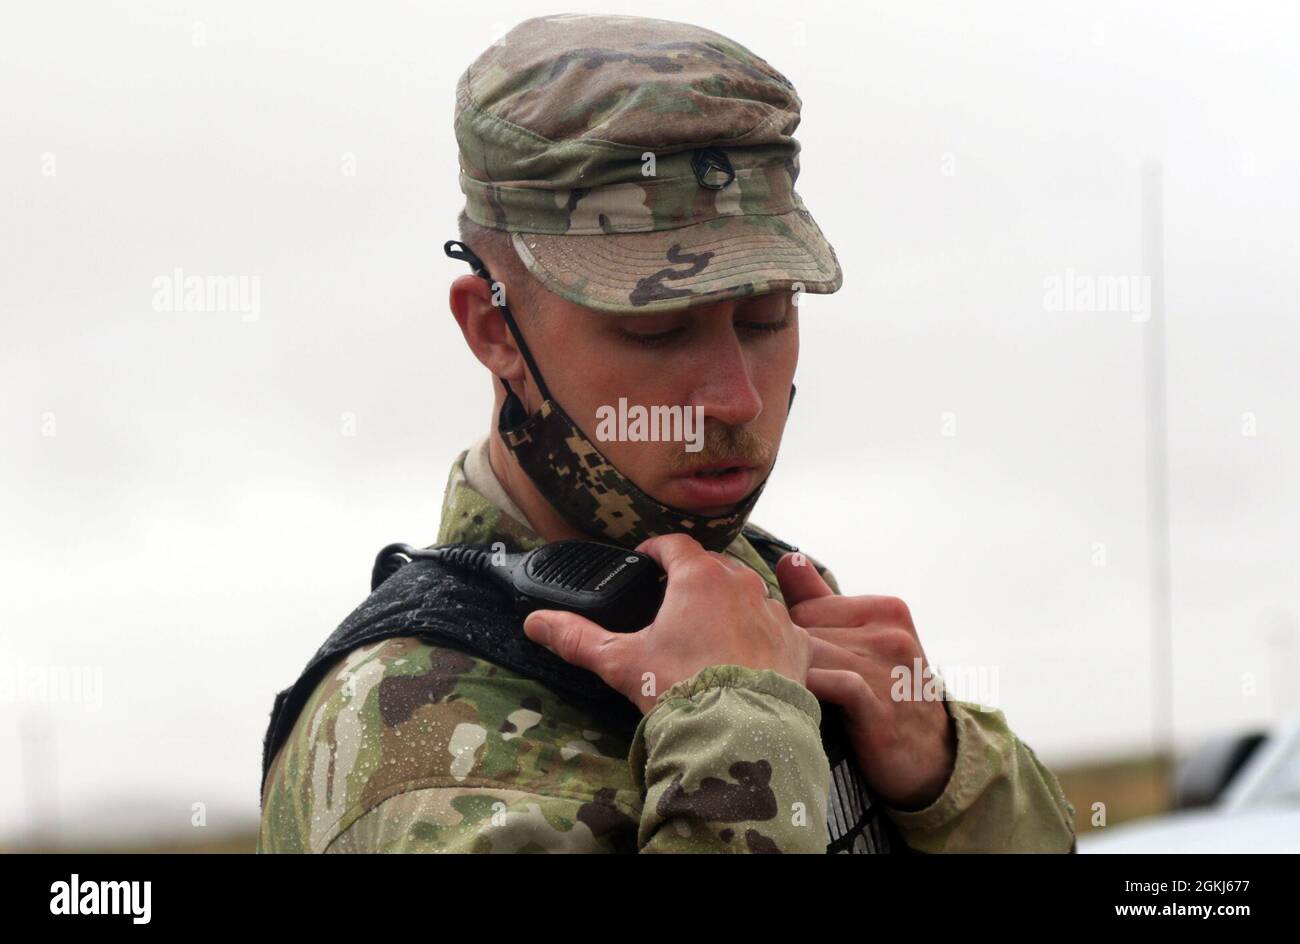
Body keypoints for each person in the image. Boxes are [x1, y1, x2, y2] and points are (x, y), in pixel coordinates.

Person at [258, 13, 1077, 853]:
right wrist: (740, 737)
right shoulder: (402, 749)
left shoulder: (768, 595)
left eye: (765, 319)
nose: (735, 401)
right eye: (655, 331)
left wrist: (951, 783)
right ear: (493, 330)